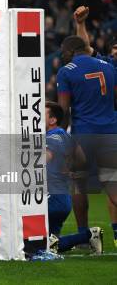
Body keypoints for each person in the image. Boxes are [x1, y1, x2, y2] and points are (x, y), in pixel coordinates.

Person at [57, 34, 117, 247]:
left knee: (78, 185)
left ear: (70, 51)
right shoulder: (108, 66)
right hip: (111, 132)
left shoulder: (66, 71)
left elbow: (63, 109)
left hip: (83, 135)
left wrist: (59, 137)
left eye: (63, 52)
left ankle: (84, 236)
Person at [44, 101, 103, 254]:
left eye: (41, 114)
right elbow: (82, 158)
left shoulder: (54, 136)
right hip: (61, 198)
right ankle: (88, 236)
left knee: (35, 243)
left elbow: (45, 157)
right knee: (51, 246)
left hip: (52, 199)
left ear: (52, 119)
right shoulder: (64, 135)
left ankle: (88, 235)